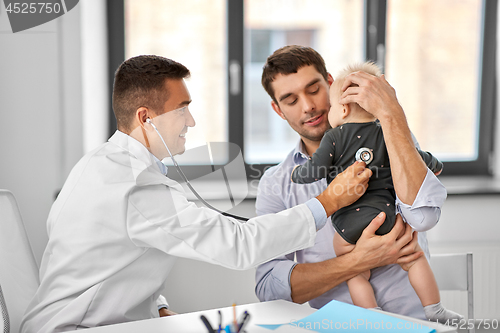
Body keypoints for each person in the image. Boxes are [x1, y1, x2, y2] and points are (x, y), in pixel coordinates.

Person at [20, 55, 373, 333]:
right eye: (182, 109)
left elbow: (108, 261)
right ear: (145, 118)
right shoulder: (133, 186)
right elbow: (239, 245)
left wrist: (156, 308)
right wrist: (328, 202)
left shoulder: (98, 165)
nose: (190, 122)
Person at [255, 45, 447, 320]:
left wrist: (390, 113)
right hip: (335, 326)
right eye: (290, 99)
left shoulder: (393, 137)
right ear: (277, 109)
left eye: (313, 90)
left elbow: (424, 214)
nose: (308, 106)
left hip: (414, 322)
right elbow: (269, 288)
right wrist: (357, 261)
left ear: (332, 84)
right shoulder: (277, 184)